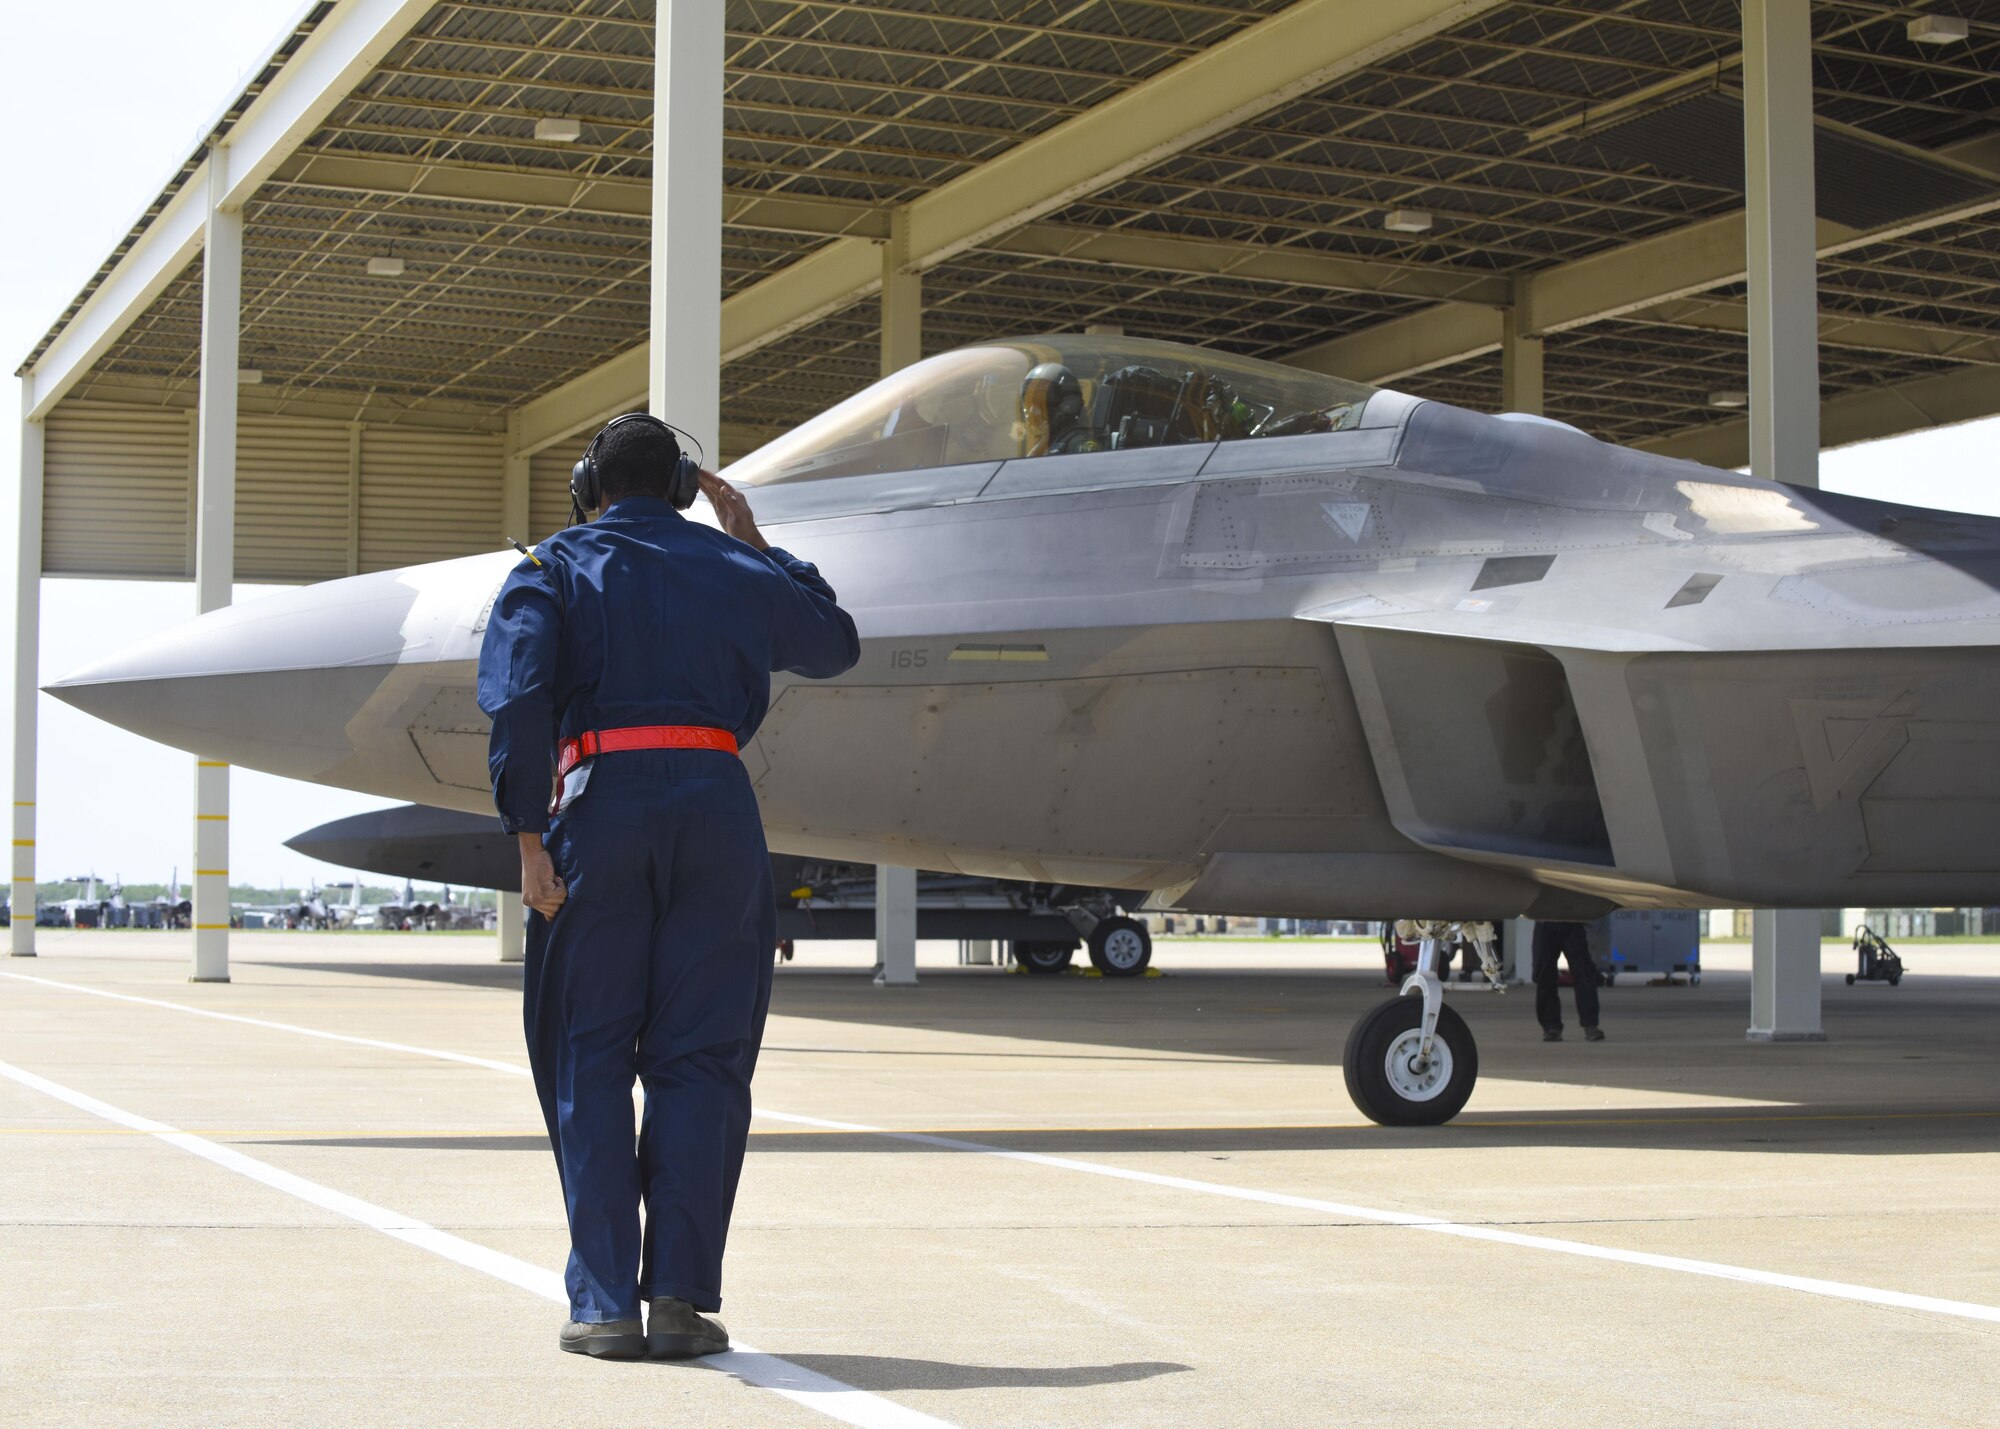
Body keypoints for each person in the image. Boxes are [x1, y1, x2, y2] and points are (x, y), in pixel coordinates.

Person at [477, 413, 859, 1361]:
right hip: (719, 813)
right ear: (685, 486)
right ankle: (681, 1299)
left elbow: (520, 699)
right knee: (704, 1062)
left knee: (590, 1055)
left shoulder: (550, 567)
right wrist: (755, 543)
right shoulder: (737, 568)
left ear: (587, 485)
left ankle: (606, 1303)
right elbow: (834, 644)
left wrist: (529, 839)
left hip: (599, 812)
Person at [1532, 920, 1606, 1042]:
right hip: (1546, 919)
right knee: (1544, 975)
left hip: (1571, 919)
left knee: (1583, 973)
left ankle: (1590, 1025)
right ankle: (1551, 1027)